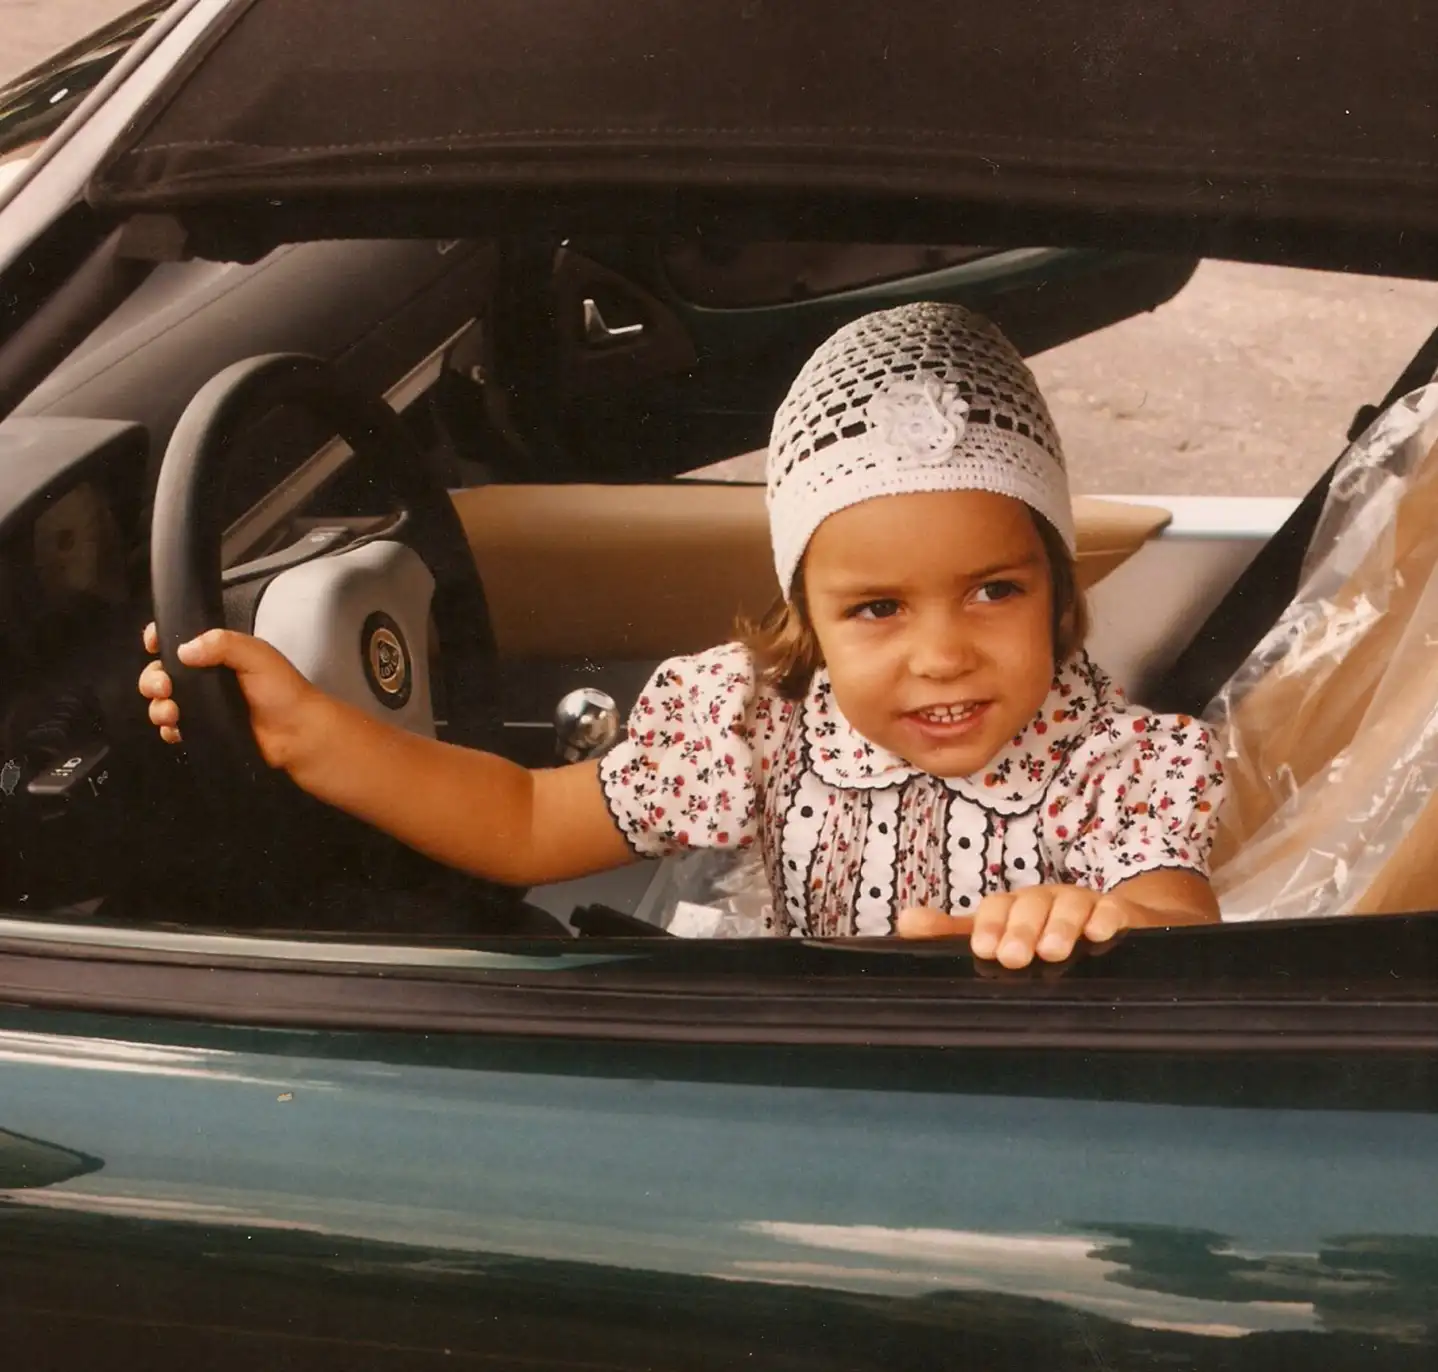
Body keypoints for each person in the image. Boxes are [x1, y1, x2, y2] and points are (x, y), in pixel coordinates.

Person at [139, 302, 1225, 966]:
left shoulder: (1116, 763)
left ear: (1056, 590)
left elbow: (1179, 911)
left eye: (993, 590)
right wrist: (311, 733)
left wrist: (1093, 921)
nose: (942, 652)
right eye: (878, 608)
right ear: (806, 615)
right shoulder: (756, 725)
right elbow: (522, 819)